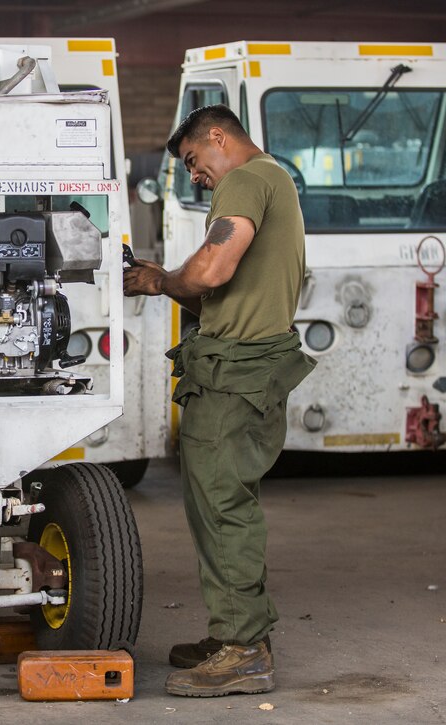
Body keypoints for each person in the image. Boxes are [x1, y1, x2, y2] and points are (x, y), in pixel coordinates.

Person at [124, 104, 316, 697]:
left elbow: (211, 270)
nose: (193, 175)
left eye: (193, 161)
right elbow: (220, 297)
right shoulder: (273, 180)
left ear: (217, 137)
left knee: (224, 506)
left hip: (237, 377)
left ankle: (242, 649)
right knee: (217, 504)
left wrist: (160, 280)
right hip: (241, 368)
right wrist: (164, 282)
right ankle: (235, 634)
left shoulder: (247, 179)